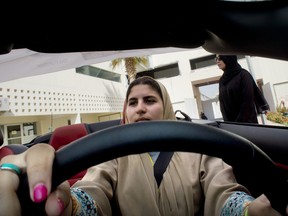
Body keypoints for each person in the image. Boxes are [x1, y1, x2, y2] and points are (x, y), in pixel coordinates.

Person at [0, 76, 285, 215]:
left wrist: (249, 211)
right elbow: (92, 194)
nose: (139, 108)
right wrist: (70, 205)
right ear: (125, 111)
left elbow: (224, 195)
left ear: (166, 107)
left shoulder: (200, 150)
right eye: (132, 102)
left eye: (150, 100)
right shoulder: (110, 155)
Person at [215, 54, 269, 124]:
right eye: (216, 59)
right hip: (231, 124)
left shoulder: (243, 75)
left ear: (229, 59)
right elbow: (223, 103)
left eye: (220, 58)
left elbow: (248, 100)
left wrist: (239, 123)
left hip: (247, 123)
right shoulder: (222, 80)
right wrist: (228, 123)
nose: (217, 61)